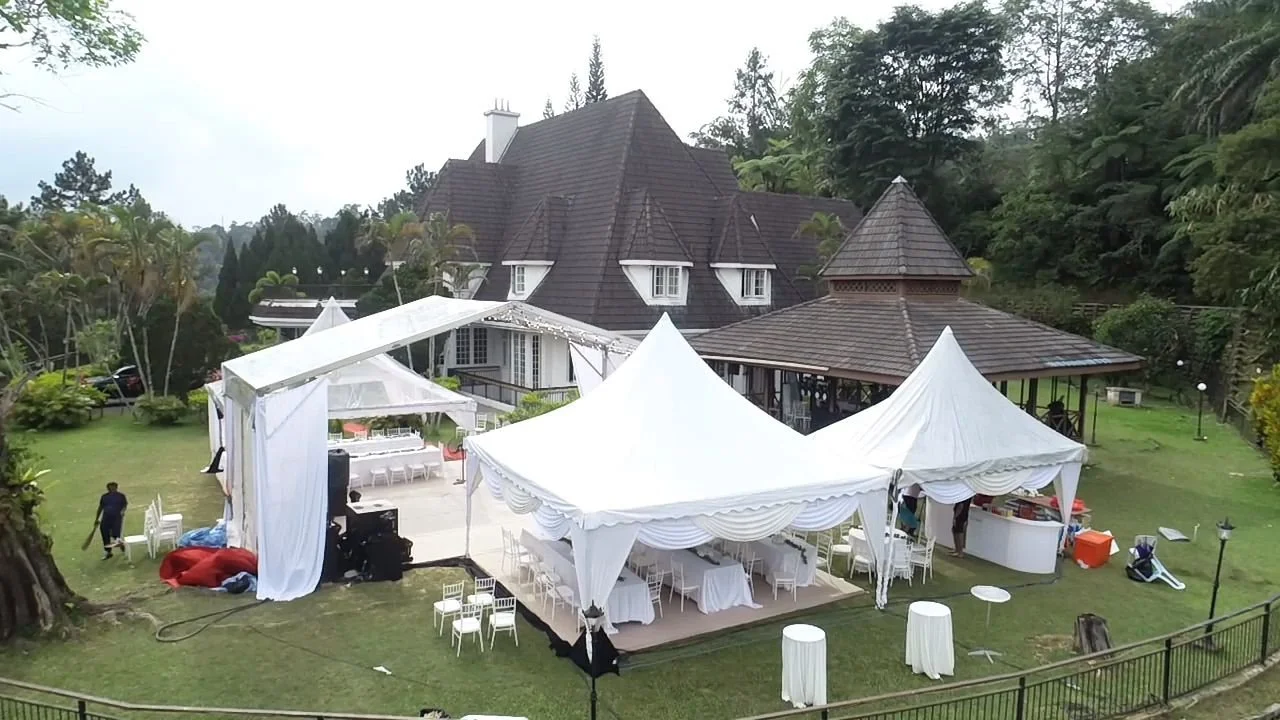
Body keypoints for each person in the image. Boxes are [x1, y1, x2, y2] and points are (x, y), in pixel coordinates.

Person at [96, 482, 128, 560]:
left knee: (115, 534)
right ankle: (108, 552)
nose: (112, 489)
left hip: (116, 518)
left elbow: (125, 505)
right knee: (105, 534)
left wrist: (123, 511)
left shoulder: (121, 496)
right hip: (106, 518)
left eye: (113, 487)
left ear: (116, 487)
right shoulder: (104, 497)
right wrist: (97, 519)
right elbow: (100, 508)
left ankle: (121, 544)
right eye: (110, 488)